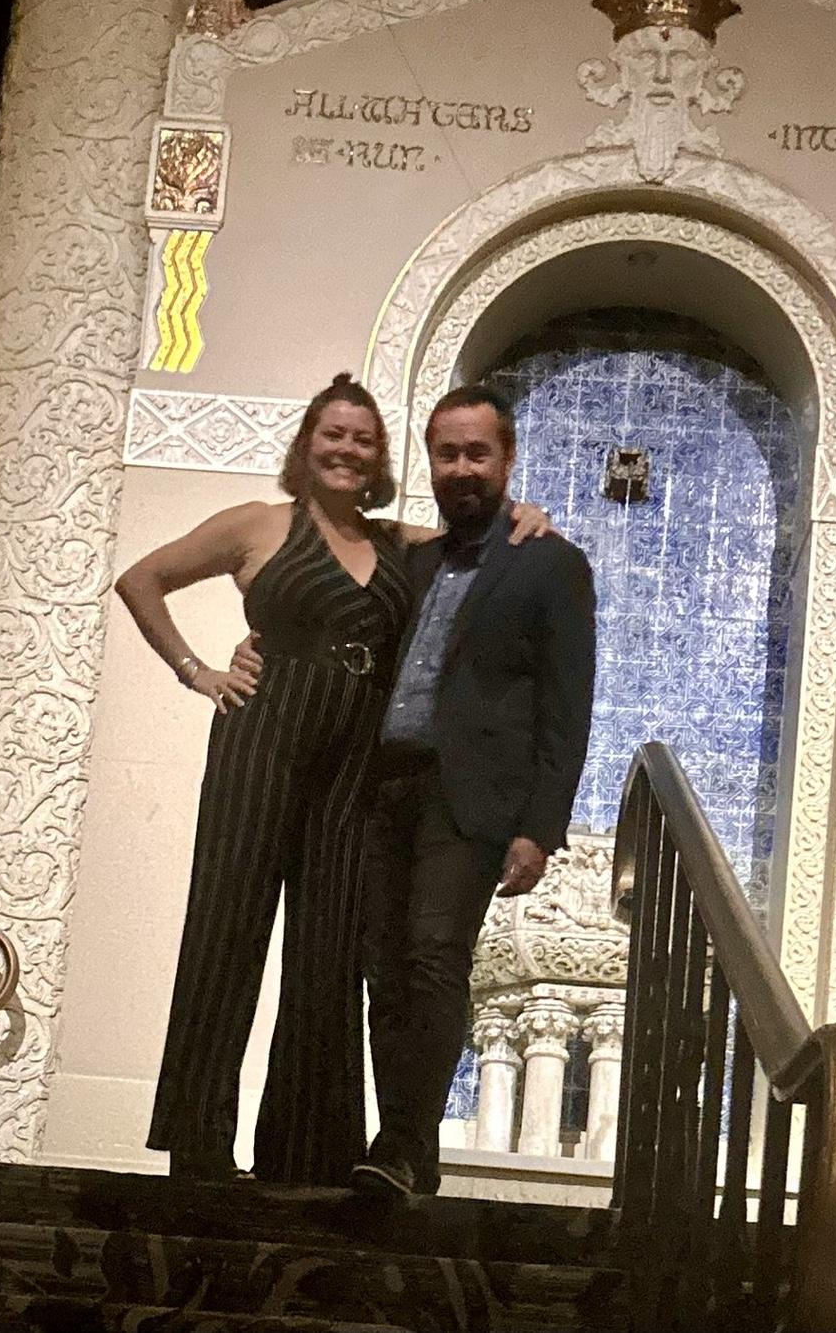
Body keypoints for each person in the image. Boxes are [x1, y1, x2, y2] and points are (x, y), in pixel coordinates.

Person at [114, 374, 551, 1186]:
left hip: (355, 760)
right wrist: (198, 671)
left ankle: (306, 1151)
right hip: (262, 739)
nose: (347, 449)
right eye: (334, 434)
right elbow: (142, 578)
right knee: (227, 933)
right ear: (307, 444)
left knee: (327, 950)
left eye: (363, 439)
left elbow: (479, 541)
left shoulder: (398, 543)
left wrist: (527, 515)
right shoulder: (258, 524)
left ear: (380, 457)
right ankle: (198, 1144)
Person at [348, 384, 597, 1202]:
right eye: (447, 453)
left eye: (477, 453)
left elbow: (568, 705)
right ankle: (410, 1153)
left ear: (507, 459)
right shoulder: (413, 562)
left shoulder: (551, 564)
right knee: (384, 971)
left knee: (433, 955)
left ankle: (399, 1143)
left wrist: (540, 827)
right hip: (384, 789)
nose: (462, 468)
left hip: (472, 799)